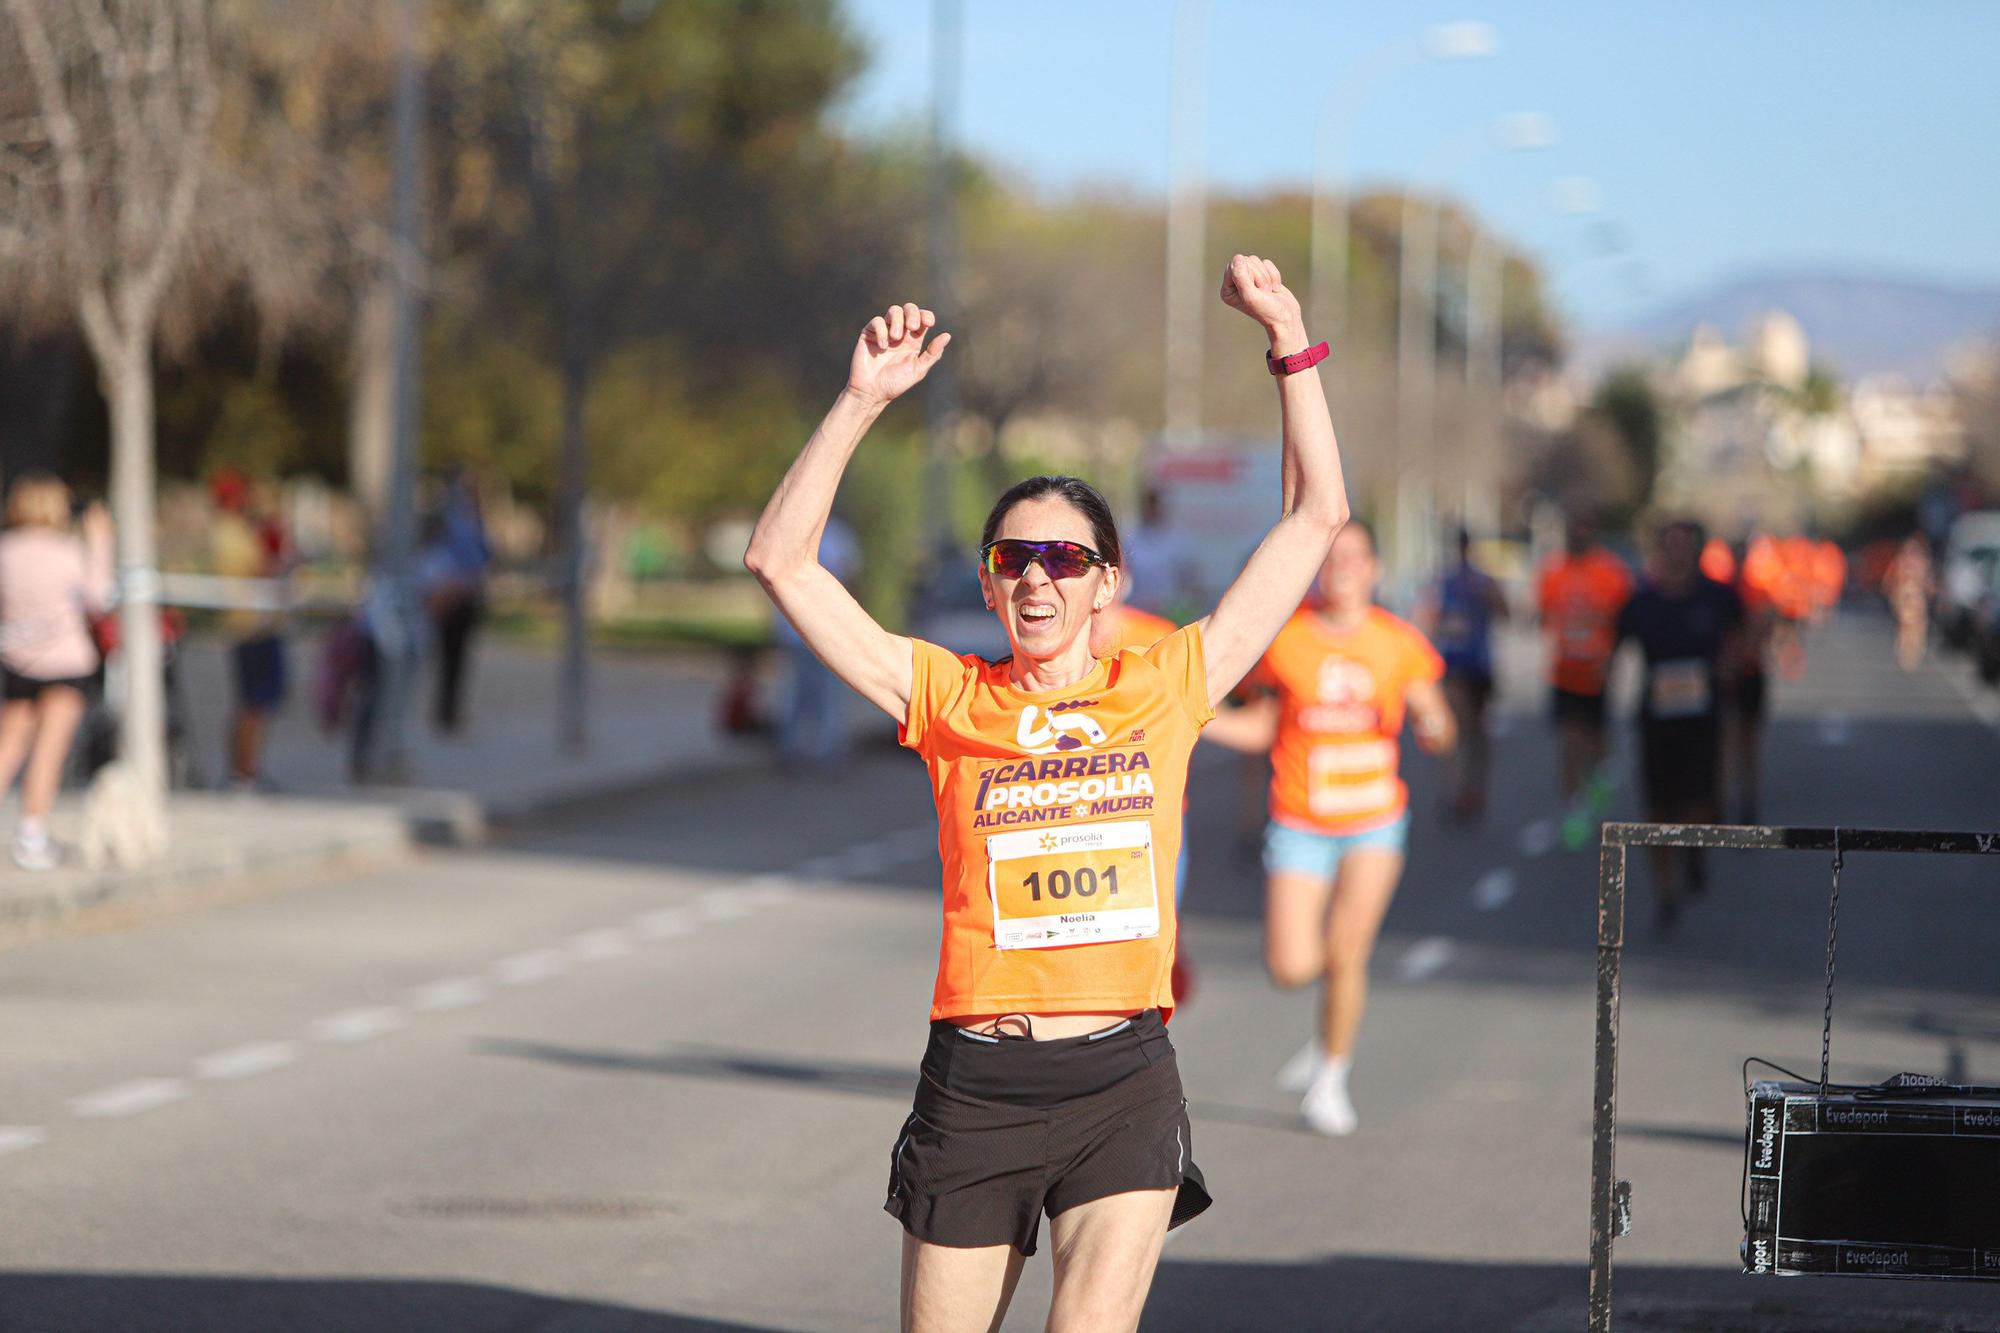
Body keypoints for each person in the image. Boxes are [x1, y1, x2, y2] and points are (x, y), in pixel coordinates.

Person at [744, 256, 1348, 1330]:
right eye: (1013, 557)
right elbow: (780, 560)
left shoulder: (1167, 684)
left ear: (1106, 583)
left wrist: (1288, 340)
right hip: (976, 1084)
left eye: (1063, 558)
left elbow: (1312, 520)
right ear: (988, 582)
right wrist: (860, 402)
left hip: (1121, 1080)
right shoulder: (943, 692)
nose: (1036, 577)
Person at [1202, 521, 1454, 1136]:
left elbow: (1443, 731)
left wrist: (1430, 721)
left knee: (1347, 951)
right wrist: (1190, 719)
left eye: (1355, 556)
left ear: (1374, 569)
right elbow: (1261, 727)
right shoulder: (1287, 641)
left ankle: (1330, 1078)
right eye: (1332, 556)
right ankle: (1328, 1029)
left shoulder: (1399, 644)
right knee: (1291, 966)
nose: (1342, 566)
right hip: (1300, 822)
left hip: (1374, 822)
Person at [1615, 517, 1742, 930]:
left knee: (1700, 799)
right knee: (1657, 807)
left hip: (1703, 717)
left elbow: (1744, 637)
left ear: (1697, 551)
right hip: (1656, 718)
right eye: (1667, 545)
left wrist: (1728, 668)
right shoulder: (1643, 602)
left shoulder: (1718, 597)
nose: (1675, 552)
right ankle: (1665, 891)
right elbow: (1618, 645)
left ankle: (1695, 851)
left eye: (1682, 545)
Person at [0, 475, 113, 870]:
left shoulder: (7, 551)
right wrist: (100, 541)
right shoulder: (67, 552)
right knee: (48, 751)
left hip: (16, 659)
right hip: (63, 663)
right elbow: (97, 598)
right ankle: (32, 836)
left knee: (8, 746)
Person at [1536, 512, 1633, 849]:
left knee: (1595, 747)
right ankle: (1574, 813)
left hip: (1596, 674)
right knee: (1567, 745)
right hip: (1564, 672)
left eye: (1584, 529)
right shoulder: (1553, 571)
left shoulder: (1610, 572)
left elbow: (1624, 622)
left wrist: (1611, 658)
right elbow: (1543, 616)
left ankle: (1596, 788)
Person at [1420, 526, 1508, 825]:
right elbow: (1429, 621)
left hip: (1473, 664)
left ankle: (1468, 791)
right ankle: (1460, 793)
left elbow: (1504, 612)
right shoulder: (1447, 582)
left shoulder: (1463, 581)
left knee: (1471, 732)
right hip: (1457, 666)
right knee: (1462, 729)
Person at [209, 470, 290, 790]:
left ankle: (246, 768)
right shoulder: (231, 533)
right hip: (250, 625)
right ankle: (243, 772)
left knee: (255, 703)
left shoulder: (238, 530)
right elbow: (258, 571)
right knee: (253, 704)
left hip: (258, 623)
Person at [773, 513, 860, 771]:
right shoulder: (830, 536)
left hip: (821, 631)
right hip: (806, 632)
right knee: (809, 693)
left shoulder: (832, 535)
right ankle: (801, 750)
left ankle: (819, 750)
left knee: (815, 693)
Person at [423, 470, 492, 734]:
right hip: (449, 594)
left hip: (468, 594)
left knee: (459, 657)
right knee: (447, 654)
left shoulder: (475, 519)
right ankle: (444, 710)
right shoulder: (451, 519)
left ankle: (449, 710)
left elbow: (484, 554)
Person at [1884, 534, 1933, 672]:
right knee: (1908, 626)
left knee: (1914, 625)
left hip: (1912, 597)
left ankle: (1911, 651)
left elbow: (1926, 582)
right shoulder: (1904, 563)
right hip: (1908, 597)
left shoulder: (1914, 563)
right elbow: (1891, 581)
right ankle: (1908, 651)